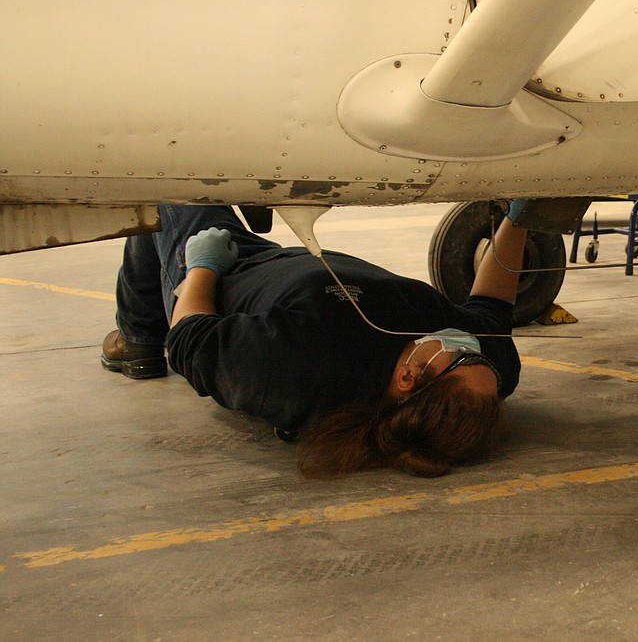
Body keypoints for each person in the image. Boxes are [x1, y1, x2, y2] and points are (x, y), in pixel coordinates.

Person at [101, 202, 529, 479]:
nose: (471, 346)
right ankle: (139, 331)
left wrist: (202, 267)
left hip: (224, 272)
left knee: (176, 189)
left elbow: (190, 340)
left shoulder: (294, 372)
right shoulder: (479, 380)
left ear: (407, 377)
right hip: (281, 257)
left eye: (461, 355)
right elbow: (491, 307)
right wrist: (521, 219)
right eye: (483, 360)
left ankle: (138, 334)